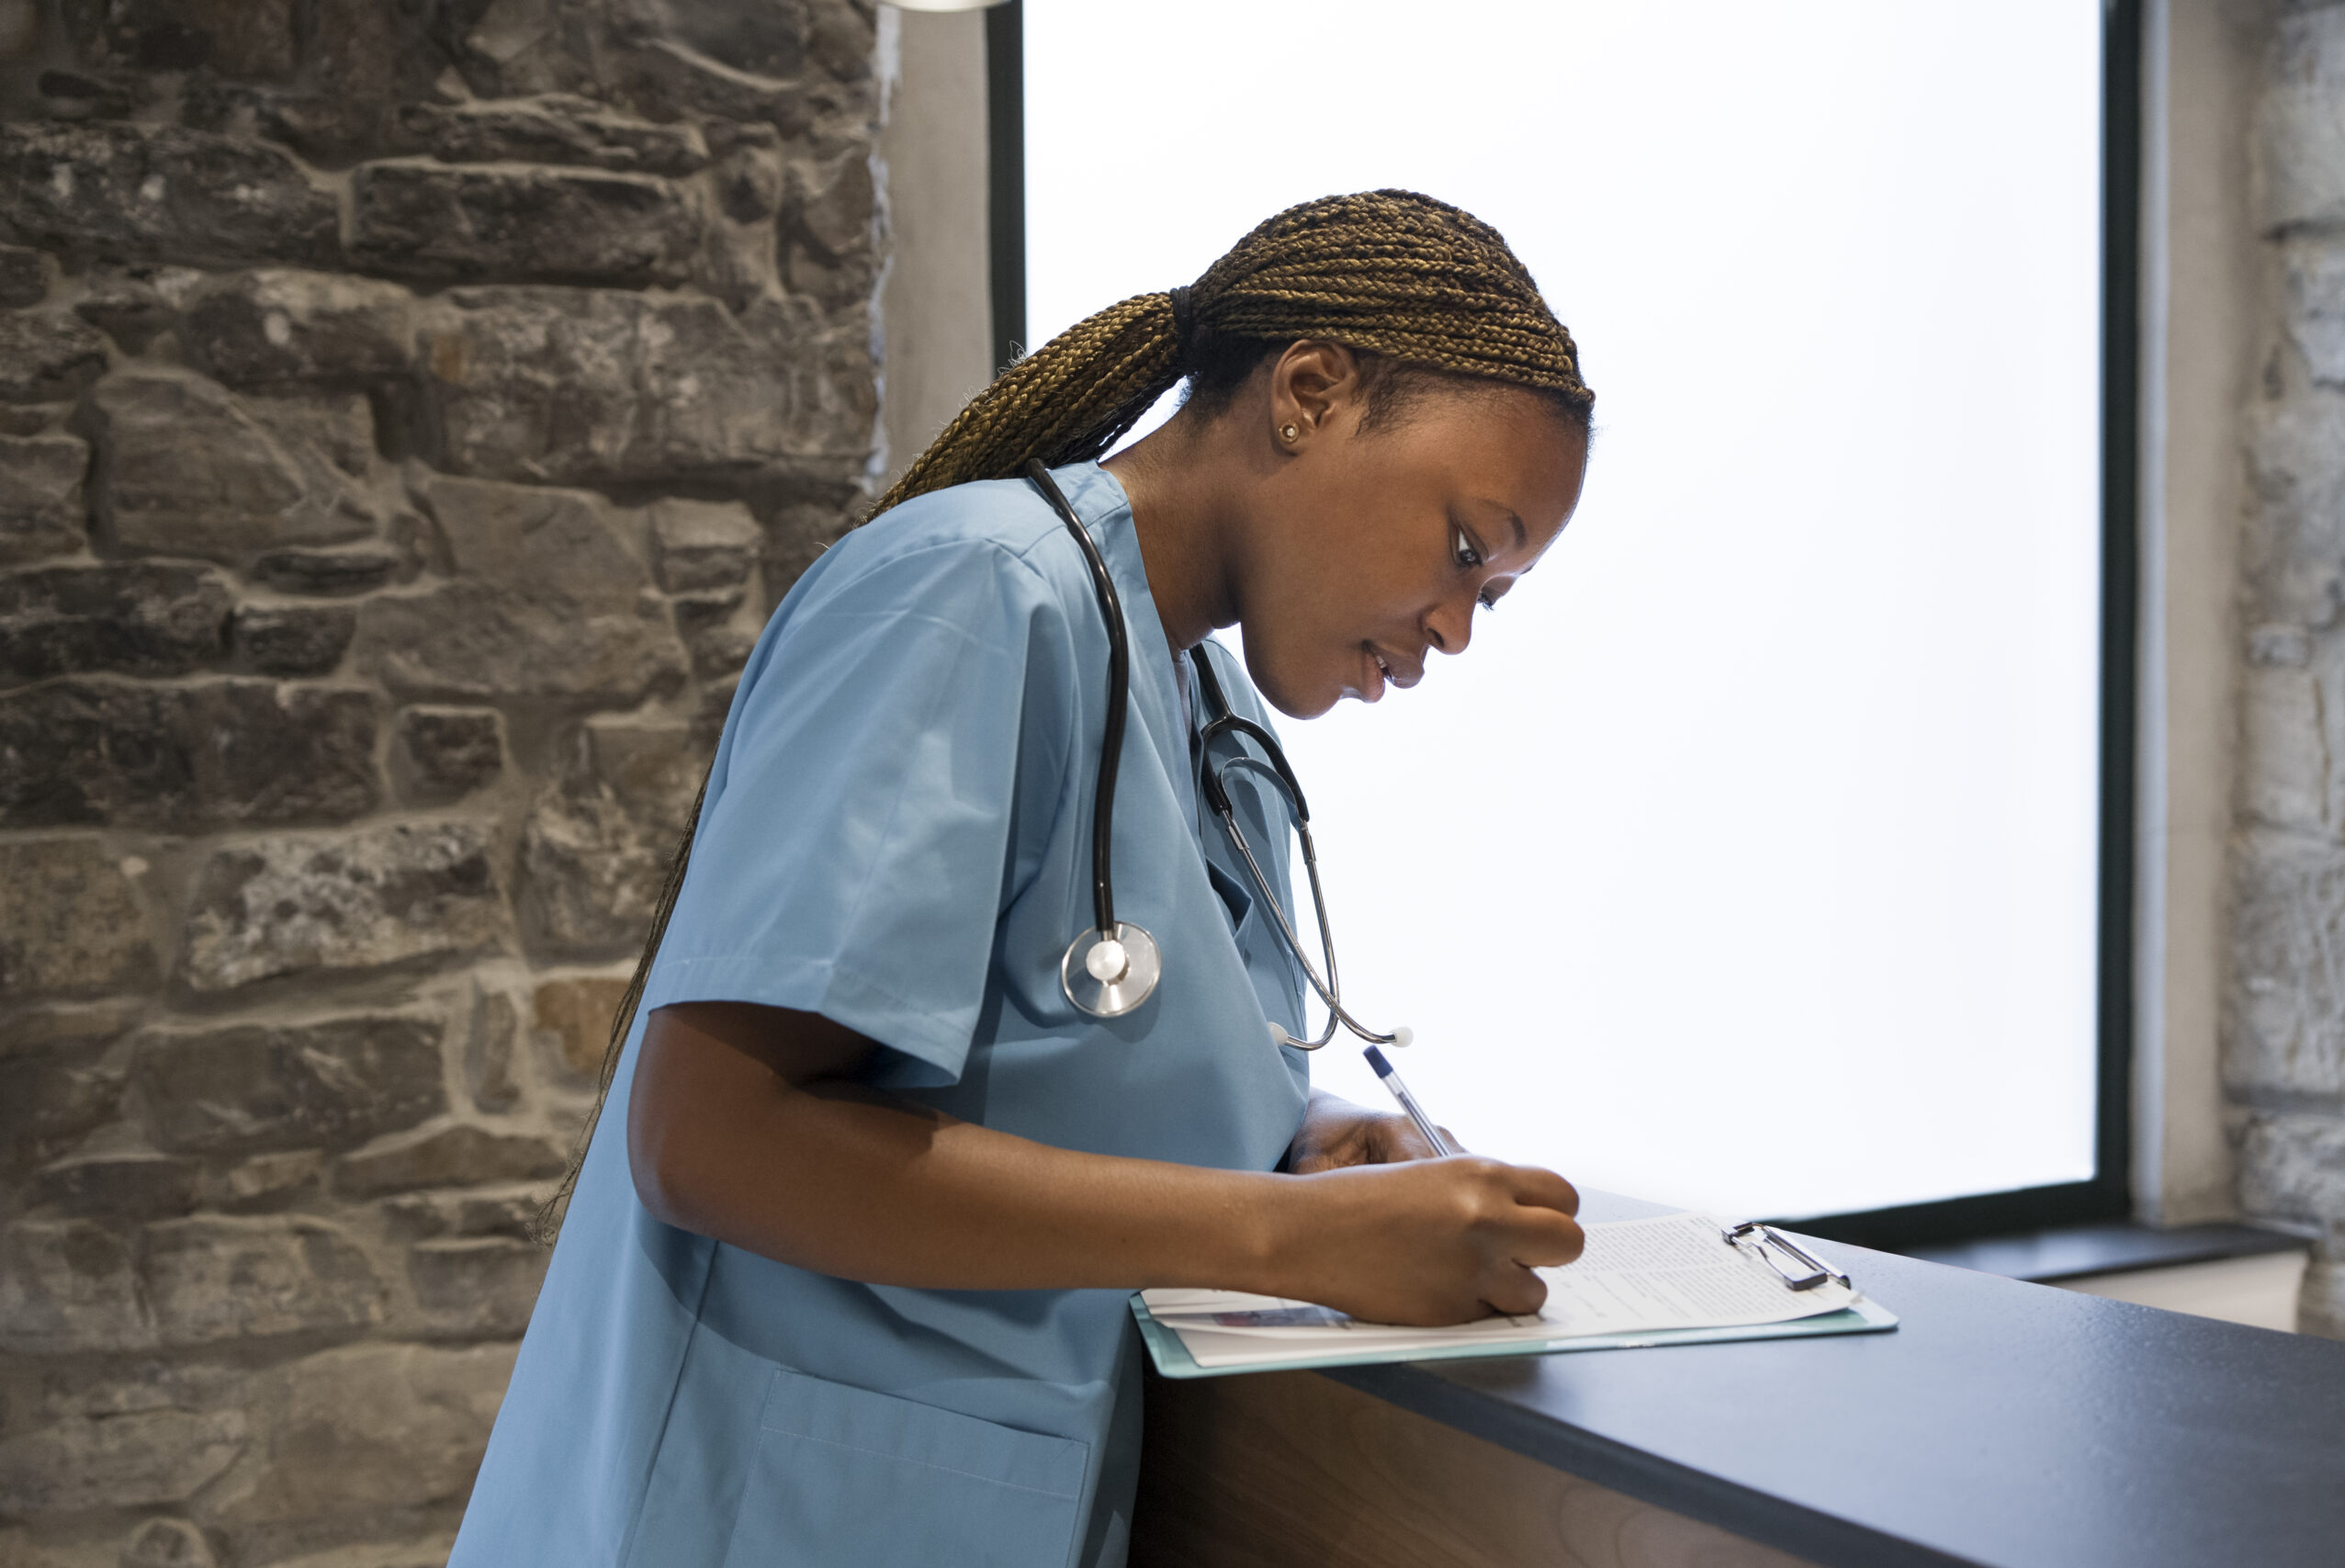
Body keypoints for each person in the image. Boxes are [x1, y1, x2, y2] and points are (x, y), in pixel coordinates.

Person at [450, 189, 1595, 1568]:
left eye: (1497, 594)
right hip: (753, 1518)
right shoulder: (973, 594)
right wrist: (1288, 1237)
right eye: (1466, 547)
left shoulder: (1209, 711)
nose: (1458, 629)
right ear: (1308, 395)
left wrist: (1299, 1133)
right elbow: (711, 1138)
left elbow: (1063, 1075)